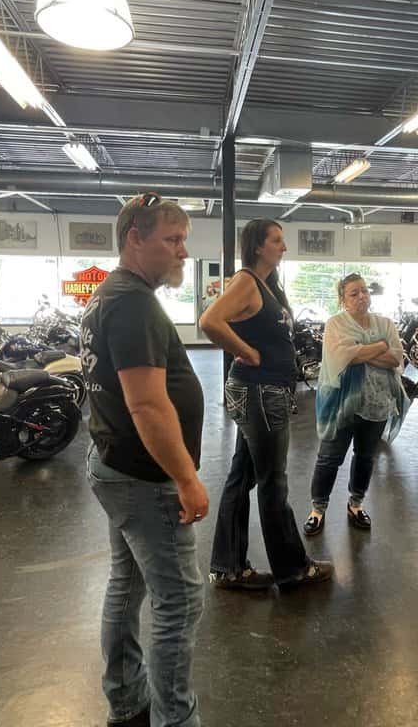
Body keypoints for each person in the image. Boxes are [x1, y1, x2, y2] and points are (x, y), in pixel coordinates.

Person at [81, 193, 208, 727]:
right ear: (135, 237)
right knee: (180, 600)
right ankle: (174, 718)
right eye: (172, 240)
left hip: (116, 463)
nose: (183, 252)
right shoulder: (133, 303)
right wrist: (186, 478)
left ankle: (127, 701)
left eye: (183, 241)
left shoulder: (111, 294)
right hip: (144, 476)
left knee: (126, 584)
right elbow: (147, 405)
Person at [200, 218, 333, 591]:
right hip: (260, 392)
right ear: (258, 245)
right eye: (277, 240)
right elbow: (210, 321)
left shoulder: (266, 285)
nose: (284, 247)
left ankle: (228, 568)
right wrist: (247, 352)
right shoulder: (246, 281)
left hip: (264, 392)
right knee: (273, 482)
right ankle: (292, 569)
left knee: (241, 477)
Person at [303, 273, 408, 535]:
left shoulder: (385, 323)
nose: (361, 296)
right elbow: (342, 357)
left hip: (377, 403)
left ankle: (356, 504)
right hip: (342, 404)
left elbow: (395, 358)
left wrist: (359, 351)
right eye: (354, 293)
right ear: (343, 300)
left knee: (365, 456)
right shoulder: (336, 324)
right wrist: (379, 346)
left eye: (364, 291)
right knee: (329, 457)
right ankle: (318, 509)